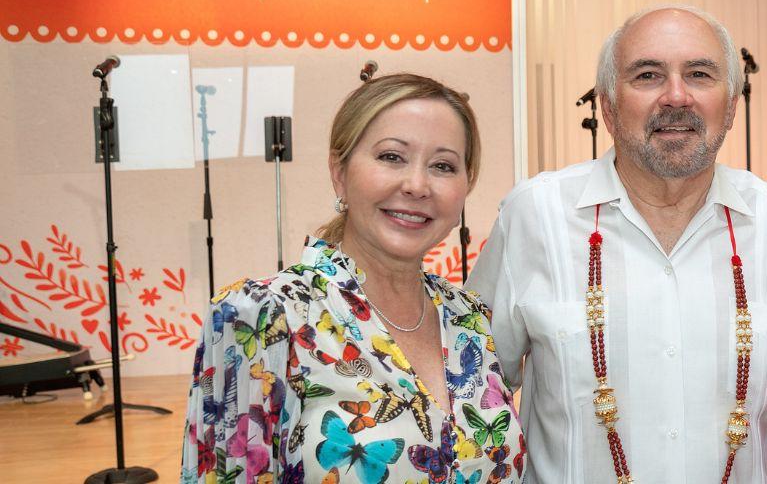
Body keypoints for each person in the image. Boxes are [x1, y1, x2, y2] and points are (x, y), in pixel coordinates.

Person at [469, 5, 767, 483]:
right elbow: (473, 393)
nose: (676, 96)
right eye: (647, 75)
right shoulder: (533, 217)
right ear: (607, 105)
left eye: (700, 74)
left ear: (730, 104)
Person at [181, 74, 525, 484]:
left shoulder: (469, 318)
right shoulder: (262, 315)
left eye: (443, 166)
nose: (417, 185)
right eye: (391, 157)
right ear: (339, 172)